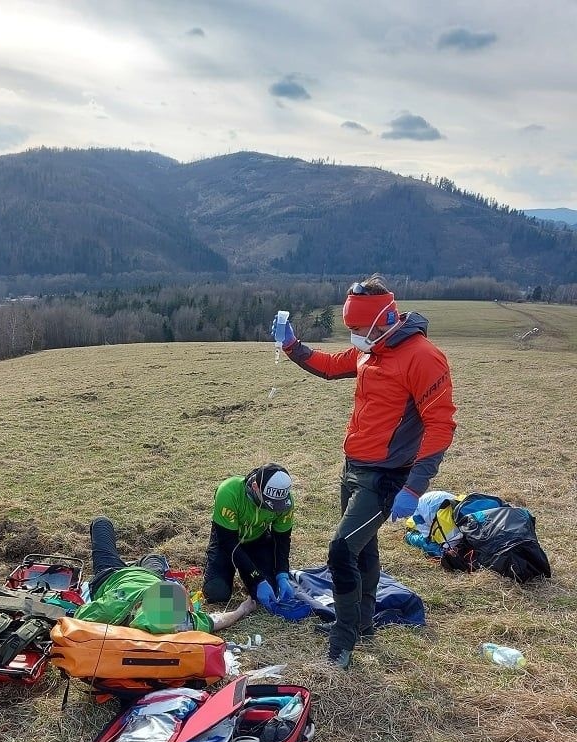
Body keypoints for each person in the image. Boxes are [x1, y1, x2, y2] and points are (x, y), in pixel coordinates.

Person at [273, 275, 456, 668]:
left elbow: (441, 426)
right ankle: (364, 621)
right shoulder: (371, 350)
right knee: (362, 548)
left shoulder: (424, 357)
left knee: (341, 550)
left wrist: (414, 486)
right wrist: (292, 346)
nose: (353, 337)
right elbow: (329, 366)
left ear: (382, 319)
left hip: (386, 477)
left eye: (356, 329)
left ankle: (342, 641)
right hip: (353, 468)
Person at [76, 516, 255, 634]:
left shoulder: (113, 607)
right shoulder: (178, 621)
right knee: (154, 558)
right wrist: (243, 609)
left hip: (111, 575)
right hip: (140, 575)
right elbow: (217, 620)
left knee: (101, 524)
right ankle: (145, 565)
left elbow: (78, 617)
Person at [202, 464, 295, 614]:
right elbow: (228, 542)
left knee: (271, 591)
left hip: (258, 540)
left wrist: (282, 573)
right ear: (255, 487)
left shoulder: (286, 502)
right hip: (228, 542)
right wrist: (257, 578)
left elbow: (282, 540)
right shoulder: (229, 492)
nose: (272, 508)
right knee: (216, 593)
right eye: (268, 503)